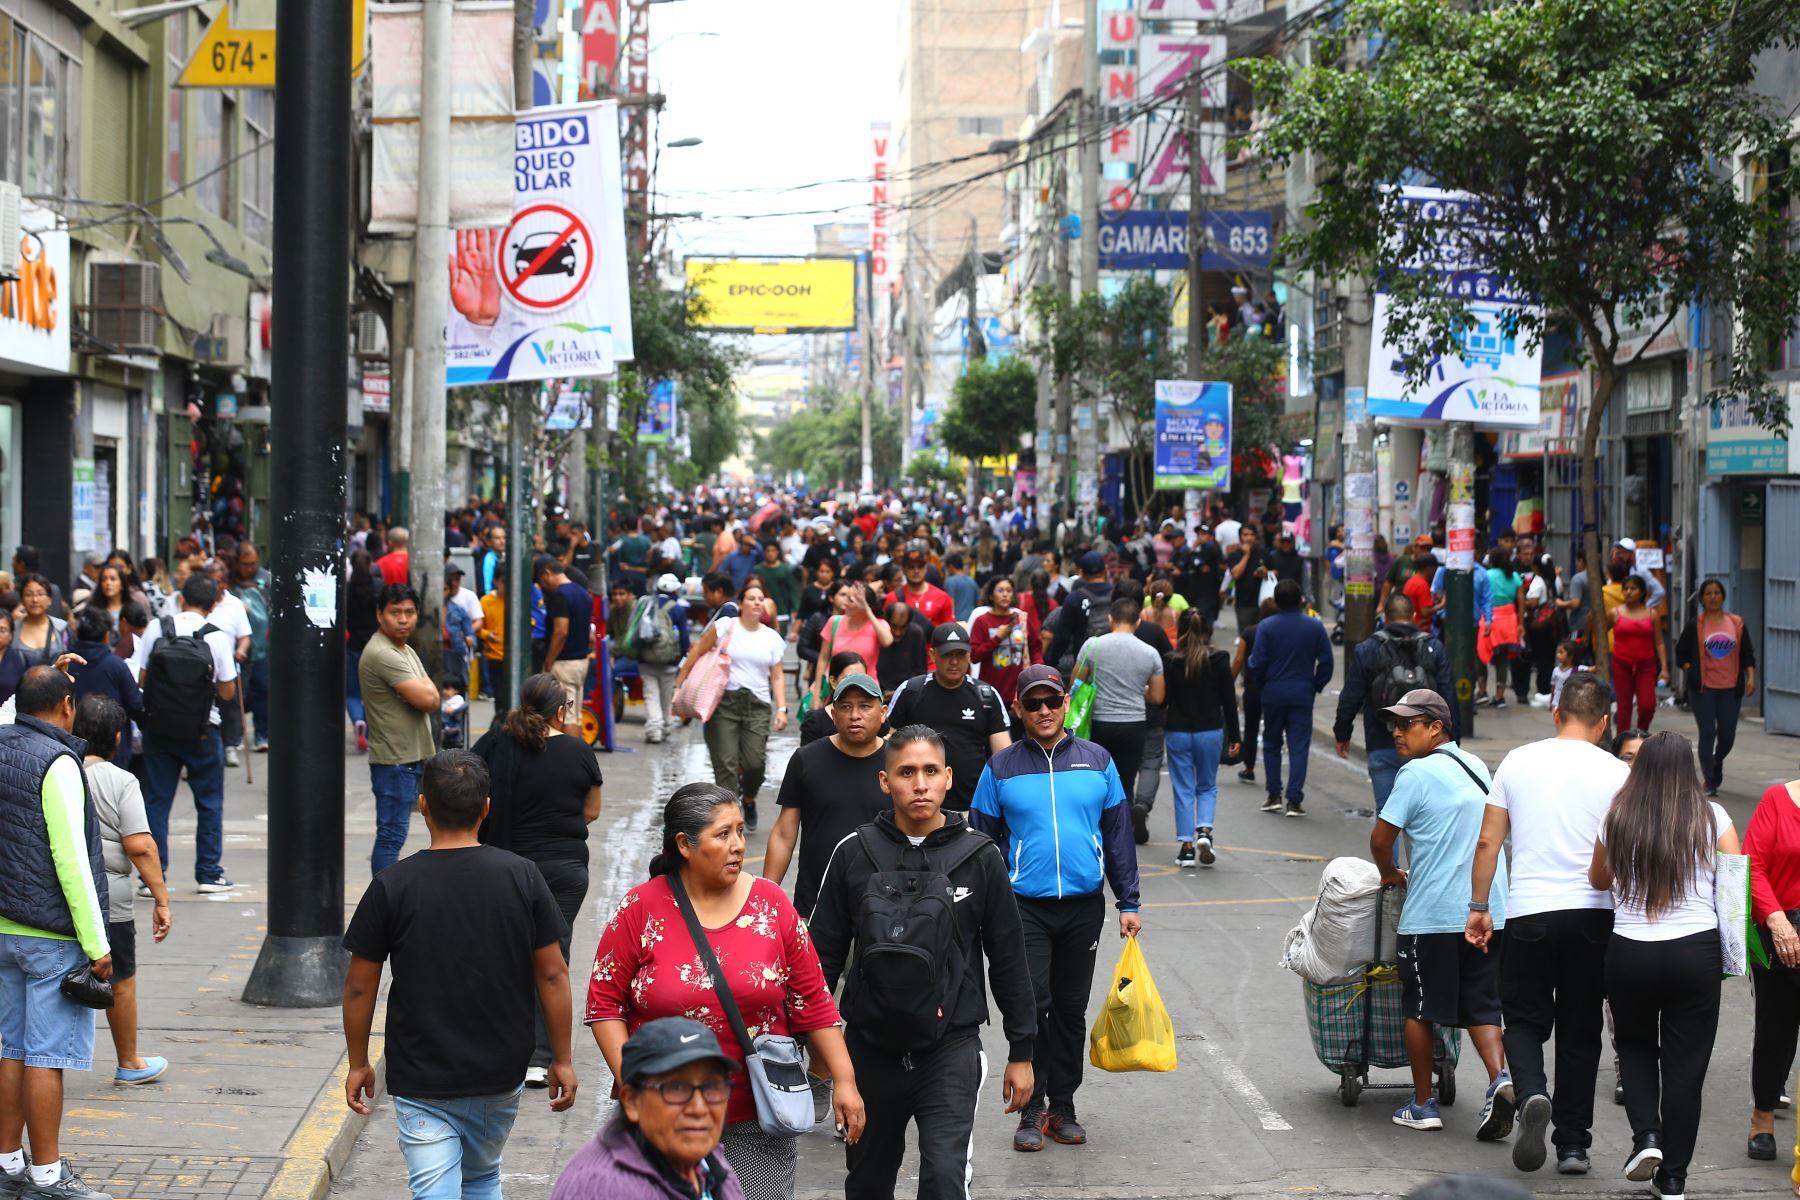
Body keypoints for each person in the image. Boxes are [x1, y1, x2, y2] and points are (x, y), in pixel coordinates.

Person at [585, 785, 865, 1200]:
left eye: (739, 831)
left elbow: (814, 1002)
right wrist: (633, 1084)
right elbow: (604, 1003)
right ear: (684, 844)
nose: (738, 845)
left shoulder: (772, 905)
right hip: (661, 1115)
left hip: (755, 1116)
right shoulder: (641, 907)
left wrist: (845, 1080)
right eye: (723, 834)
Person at [808, 726, 1038, 1198]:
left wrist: (1022, 1051)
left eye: (931, 771)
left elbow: (1009, 957)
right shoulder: (854, 852)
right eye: (906, 772)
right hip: (870, 1050)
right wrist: (813, 1051)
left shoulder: (980, 856)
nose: (920, 784)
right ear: (884, 780)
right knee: (867, 1184)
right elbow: (820, 960)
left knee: (944, 1180)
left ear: (948, 778)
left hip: (950, 1047)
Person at [342, 750, 576, 1199]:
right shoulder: (522, 876)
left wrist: (358, 1062)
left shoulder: (392, 884)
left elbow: (358, 986)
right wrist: (560, 1058)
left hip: (421, 1075)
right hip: (500, 1071)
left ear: (423, 805)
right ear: (486, 808)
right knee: (482, 1177)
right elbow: (554, 976)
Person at [970, 663, 1141, 1152]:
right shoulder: (1000, 768)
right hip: (1024, 907)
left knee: (1069, 1007)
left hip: (1083, 907)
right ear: (1018, 709)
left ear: (1066, 703)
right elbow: (982, 840)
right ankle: (1032, 1107)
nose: (1043, 710)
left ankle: (1062, 1105)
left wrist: (1128, 900)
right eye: (1033, 703)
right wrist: (984, 902)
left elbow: (1118, 834)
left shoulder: (1098, 760)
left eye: (1052, 701)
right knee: (1033, 1003)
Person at [1466, 672, 1626, 1176]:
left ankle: (1533, 1092)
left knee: (1523, 1019)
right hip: (1593, 915)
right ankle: (1573, 1145)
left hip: (1530, 912)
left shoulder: (1518, 761)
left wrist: (1478, 905)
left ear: (1556, 713)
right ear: (1604, 722)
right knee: (1581, 1030)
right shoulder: (1618, 773)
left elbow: (1489, 841)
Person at [1588, 732, 1738, 1200]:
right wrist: (1733, 959)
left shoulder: (1618, 816)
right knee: (1685, 1067)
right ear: (1688, 768)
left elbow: (1598, 879)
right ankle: (1673, 1178)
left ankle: (1646, 1137)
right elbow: (1735, 892)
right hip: (1695, 952)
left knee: (1634, 1046)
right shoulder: (1714, 818)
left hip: (1630, 950)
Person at [1368, 690, 1513, 1139]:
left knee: (1420, 1007)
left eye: (1406, 723)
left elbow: (1380, 840)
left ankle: (1422, 1103)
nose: (1396, 732)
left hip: (1432, 914)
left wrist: (1389, 873)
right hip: (1487, 911)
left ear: (1436, 728)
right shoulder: (1477, 767)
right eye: (1393, 724)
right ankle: (1500, 1079)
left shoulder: (1414, 773)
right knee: (1483, 1005)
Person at [0, 666, 113, 1200]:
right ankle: (47, 1175)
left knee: (11, 1049)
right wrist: (98, 944)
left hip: (4, 928)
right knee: (46, 1057)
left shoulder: (3, 744)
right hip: (50, 935)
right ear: (67, 706)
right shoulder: (58, 763)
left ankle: (7, 1164)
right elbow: (72, 861)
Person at [472, 675, 602, 1087]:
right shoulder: (579, 752)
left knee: (506, 953)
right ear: (561, 711)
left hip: (507, 867)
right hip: (564, 870)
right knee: (552, 960)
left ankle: (500, 1045)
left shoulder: (497, 743)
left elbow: (468, 786)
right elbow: (591, 811)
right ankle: (541, 1058)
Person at [74, 696, 171, 1089]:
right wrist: (162, 899)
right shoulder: (120, 780)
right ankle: (129, 1062)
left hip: (57, 895)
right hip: (108, 899)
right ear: (117, 737)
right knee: (121, 978)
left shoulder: (58, 770)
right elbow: (140, 846)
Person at [549, 1017, 746, 1200]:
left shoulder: (706, 1162)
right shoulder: (600, 1189)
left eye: (712, 1086)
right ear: (632, 1101)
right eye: (676, 1088)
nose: (699, 1108)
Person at [130, 574, 240, 892]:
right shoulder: (216, 637)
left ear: (181, 599)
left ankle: (152, 877)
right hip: (203, 731)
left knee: (157, 802)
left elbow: (142, 679)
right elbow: (228, 692)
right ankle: (208, 873)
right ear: (214, 604)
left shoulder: (157, 627)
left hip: (159, 729)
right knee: (209, 803)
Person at [765, 672, 888, 917]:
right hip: (817, 903)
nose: (855, 715)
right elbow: (784, 834)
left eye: (865, 706)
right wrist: (765, 900)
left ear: (883, 713)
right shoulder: (806, 759)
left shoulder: (901, 762)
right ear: (833, 714)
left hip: (885, 904)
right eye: (845, 707)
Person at [678, 583, 788, 833]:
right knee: (725, 764)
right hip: (724, 703)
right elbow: (698, 650)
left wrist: (782, 708)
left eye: (761, 598)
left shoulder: (772, 637)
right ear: (741, 603)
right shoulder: (726, 626)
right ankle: (731, 819)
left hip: (757, 705)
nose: (757, 602)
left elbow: (777, 675)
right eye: (751, 598)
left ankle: (748, 798)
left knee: (754, 763)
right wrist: (679, 685)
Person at [1334, 593, 1453, 816]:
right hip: (1427, 745)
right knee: (1426, 816)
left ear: (1385, 618)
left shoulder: (1368, 649)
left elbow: (1350, 697)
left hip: (1382, 742)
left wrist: (1342, 734)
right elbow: (1448, 698)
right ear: (1414, 615)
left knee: (1388, 815)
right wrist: (1452, 743)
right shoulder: (1434, 647)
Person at [885, 623, 1012, 812]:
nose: (954, 661)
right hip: (919, 805)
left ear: (969, 655)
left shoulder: (986, 695)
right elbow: (889, 745)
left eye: (960, 654)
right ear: (932, 655)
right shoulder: (911, 691)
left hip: (975, 806)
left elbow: (1004, 757)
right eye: (947, 654)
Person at [357, 584, 438, 876]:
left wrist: (422, 692)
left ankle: (387, 896)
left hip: (406, 758)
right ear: (380, 615)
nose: (403, 619)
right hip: (395, 760)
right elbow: (429, 700)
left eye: (409, 612)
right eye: (395, 612)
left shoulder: (404, 649)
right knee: (391, 838)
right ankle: (385, 898)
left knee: (393, 836)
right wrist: (422, 692)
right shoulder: (384, 654)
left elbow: (431, 694)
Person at [1071, 597, 1166, 842]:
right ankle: (1122, 834)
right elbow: (1157, 696)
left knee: (1096, 777)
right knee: (1125, 780)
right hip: (1134, 724)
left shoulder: (1093, 646)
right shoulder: (1150, 653)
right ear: (1138, 622)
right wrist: (1137, 690)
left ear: (1111, 619)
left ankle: (1095, 830)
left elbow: (1076, 683)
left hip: (1100, 722)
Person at [1743, 769, 1800, 1171]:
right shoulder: (1778, 800)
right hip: (1780, 927)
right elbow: (1753, 865)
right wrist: (1776, 919)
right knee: (1776, 1028)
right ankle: (1762, 1117)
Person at [1246, 580, 1334, 818]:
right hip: (1302, 692)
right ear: (1300, 599)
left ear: (1276, 601)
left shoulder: (1266, 626)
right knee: (1298, 747)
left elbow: (1257, 662)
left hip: (1273, 692)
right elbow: (1326, 662)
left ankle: (1274, 794)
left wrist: (1262, 683)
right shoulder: (1314, 626)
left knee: (1272, 744)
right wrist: (1315, 685)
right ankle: (1294, 799)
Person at [1162, 610, 1239, 868]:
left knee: (1183, 788)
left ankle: (1186, 848)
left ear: (1180, 630)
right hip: (1210, 730)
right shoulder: (1219, 659)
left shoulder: (1171, 661)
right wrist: (1235, 735)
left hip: (1178, 730)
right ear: (1207, 630)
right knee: (1207, 785)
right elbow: (1229, 701)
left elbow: (1164, 700)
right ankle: (1204, 831)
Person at [1676, 579, 1756, 797]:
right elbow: (1681, 654)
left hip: (1730, 688)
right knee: (1708, 731)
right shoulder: (1696, 625)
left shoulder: (1736, 623)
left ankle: (1717, 760)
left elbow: (1747, 654)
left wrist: (1751, 677)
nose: (1712, 597)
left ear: (1723, 596)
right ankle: (1709, 779)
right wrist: (1691, 669)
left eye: (1717, 593)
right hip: (1703, 689)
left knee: (1727, 736)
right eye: (1708, 593)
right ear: (1702, 598)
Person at [65, 608, 143, 771]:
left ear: (78, 633)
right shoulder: (117, 666)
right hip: (113, 750)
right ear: (107, 636)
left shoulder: (65, 663)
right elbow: (136, 705)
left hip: (71, 747)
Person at [805, 582, 892, 708]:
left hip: (867, 692)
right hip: (835, 691)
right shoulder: (834, 622)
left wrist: (867, 610)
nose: (845, 602)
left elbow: (887, 641)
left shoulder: (878, 624)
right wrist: (816, 693)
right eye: (845, 596)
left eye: (850, 600)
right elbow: (823, 659)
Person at [539, 556, 595, 740]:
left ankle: (571, 755)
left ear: (547, 573)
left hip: (563, 664)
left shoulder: (560, 596)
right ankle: (577, 753)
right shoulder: (583, 593)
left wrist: (549, 661)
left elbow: (561, 632)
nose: (543, 586)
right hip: (580, 662)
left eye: (542, 580)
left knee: (565, 716)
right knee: (574, 715)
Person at [636, 575, 691, 746]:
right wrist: (682, 657)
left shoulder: (646, 604)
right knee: (666, 697)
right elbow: (684, 639)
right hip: (669, 663)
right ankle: (665, 726)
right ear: (675, 591)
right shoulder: (678, 610)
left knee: (651, 696)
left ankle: (654, 731)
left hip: (646, 661)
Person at [1606, 574, 1665, 732]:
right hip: (1621, 664)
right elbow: (1600, 635)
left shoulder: (1652, 614)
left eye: (1633, 588)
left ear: (1642, 592)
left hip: (1646, 665)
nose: (1629, 592)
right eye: (1625, 589)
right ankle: (1622, 741)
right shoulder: (1614, 613)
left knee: (1647, 706)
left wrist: (1665, 668)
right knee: (1623, 708)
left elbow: (1659, 642)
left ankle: (1641, 734)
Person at [228, 542, 271, 753]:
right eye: (245, 564)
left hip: (262, 646)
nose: (249, 568)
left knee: (263, 690)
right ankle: (234, 736)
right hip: (236, 648)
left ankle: (262, 735)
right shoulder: (229, 580)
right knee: (236, 695)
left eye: (253, 563)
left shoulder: (266, 579)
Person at [1044, 552, 1113, 676]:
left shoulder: (1074, 598)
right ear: (1105, 570)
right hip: (1114, 659)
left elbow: (1063, 636)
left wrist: (1051, 662)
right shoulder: (1117, 593)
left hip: (1086, 663)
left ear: (1081, 573)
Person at [1483, 548, 1524, 710]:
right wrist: (1520, 623)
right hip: (1509, 620)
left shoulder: (1486, 575)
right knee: (1503, 659)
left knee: (1481, 654)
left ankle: (1482, 690)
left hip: (1489, 619)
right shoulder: (1514, 576)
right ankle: (1500, 696)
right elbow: (1521, 601)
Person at [888, 545, 955, 627]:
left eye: (920, 567)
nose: (916, 571)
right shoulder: (892, 598)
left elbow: (949, 630)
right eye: (911, 567)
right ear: (904, 570)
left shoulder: (942, 597)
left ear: (926, 568)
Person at [13, 576, 67, 669]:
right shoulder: (12, 629)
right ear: (22, 600)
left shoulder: (62, 628)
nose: (35, 600)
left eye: (40, 594)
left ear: (49, 599)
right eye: (28, 595)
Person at [875, 601, 928, 695]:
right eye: (894, 626)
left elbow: (920, 672)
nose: (897, 632)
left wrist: (901, 691)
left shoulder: (916, 634)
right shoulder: (878, 631)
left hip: (908, 691)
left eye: (903, 627)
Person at [1226, 526, 1268, 633]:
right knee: (1246, 635)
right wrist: (1246, 555)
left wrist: (1265, 572)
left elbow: (1275, 571)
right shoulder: (1234, 555)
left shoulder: (1263, 552)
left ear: (1256, 537)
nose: (1249, 538)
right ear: (1240, 537)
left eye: (1252, 534)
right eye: (1245, 535)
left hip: (1263, 602)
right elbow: (1236, 575)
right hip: (1244, 603)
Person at [943, 553, 978, 622]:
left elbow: (950, 603)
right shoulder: (972, 581)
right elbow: (978, 602)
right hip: (970, 621)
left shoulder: (950, 581)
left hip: (957, 621)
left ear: (951, 567)